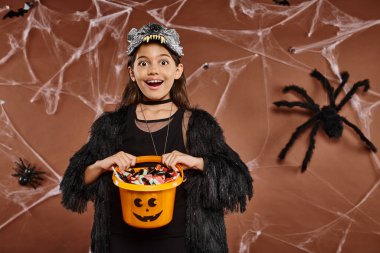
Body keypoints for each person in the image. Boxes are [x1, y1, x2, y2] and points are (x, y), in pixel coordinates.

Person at [60, 23, 253, 253]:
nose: (153, 70)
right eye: (144, 63)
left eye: (163, 62)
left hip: (182, 243)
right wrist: (102, 165)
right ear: (133, 73)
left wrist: (196, 162)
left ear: (177, 70)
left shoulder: (197, 125)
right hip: (122, 242)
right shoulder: (111, 126)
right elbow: (73, 182)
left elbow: (238, 180)